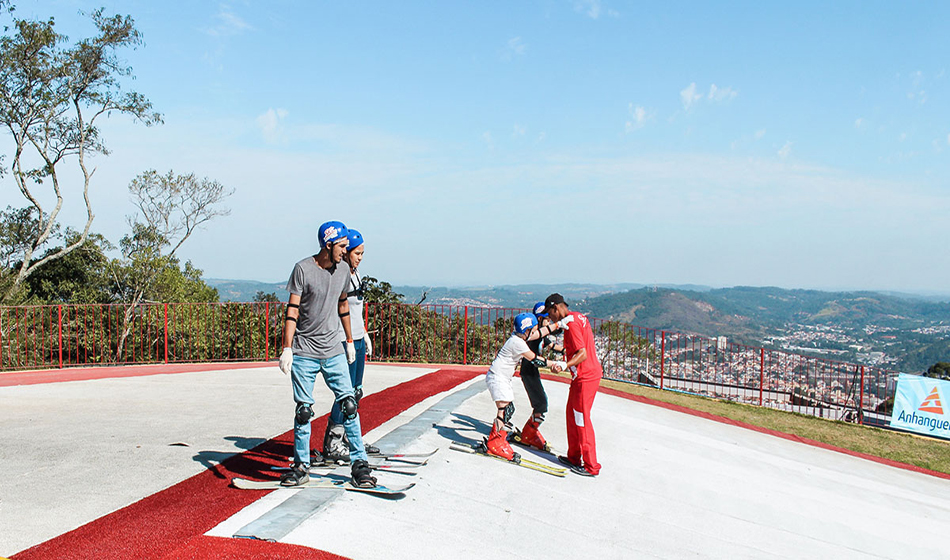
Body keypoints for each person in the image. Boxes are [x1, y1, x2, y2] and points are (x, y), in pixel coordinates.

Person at [278, 221, 376, 488]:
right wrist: (287, 348)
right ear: (328, 244)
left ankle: (360, 465)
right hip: (304, 351)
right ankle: (301, 467)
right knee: (304, 411)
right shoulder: (303, 269)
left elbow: (343, 303)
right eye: (342, 246)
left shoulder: (343, 269)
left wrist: (349, 339)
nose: (346, 252)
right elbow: (292, 311)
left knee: (350, 405)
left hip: (333, 349)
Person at [322, 228, 381, 462]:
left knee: (356, 391)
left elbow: (355, 311)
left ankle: (349, 435)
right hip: (342, 340)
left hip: (356, 338)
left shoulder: (356, 274)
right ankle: (332, 441)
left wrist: (364, 333)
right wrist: (345, 340)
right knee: (344, 394)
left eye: (362, 253)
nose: (359, 257)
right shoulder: (339, 274)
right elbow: (339, 310)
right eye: (357, 252)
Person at [483, 312, 567, 461]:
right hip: (498, 377)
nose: (535, 332)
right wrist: (555, 364)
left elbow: (541, 332)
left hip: (501, 377)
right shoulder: (518, 343)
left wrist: (558, 324)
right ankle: (495, 443)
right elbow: (536, 360)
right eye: (532, 330)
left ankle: (497, 441)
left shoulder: (519, 337)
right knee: (505, 410)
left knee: (508, 409)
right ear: (526, 330)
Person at [544, 293, 603, 477]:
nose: (549, 318)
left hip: (585, 377)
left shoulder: (572, 323)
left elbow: (582, 353)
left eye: (549, 314)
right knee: (572, 414)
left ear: (556, 308)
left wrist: (564, 365)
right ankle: (574, 457)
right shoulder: (577, 316)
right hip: (583, 376)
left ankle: (591, 466)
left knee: (581, 419)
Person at [513, 301, 563, 451]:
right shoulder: (532, 336)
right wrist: (553, 363)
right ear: (539, 319)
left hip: (532, 372)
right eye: (546, 319)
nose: (549, 322)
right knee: (541, 404)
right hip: (528, 372)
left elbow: (552, 345)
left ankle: (531, 431)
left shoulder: (540, 334)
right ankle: (528, 434)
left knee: (541, 403)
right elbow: (537, 355)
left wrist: (567, 351)